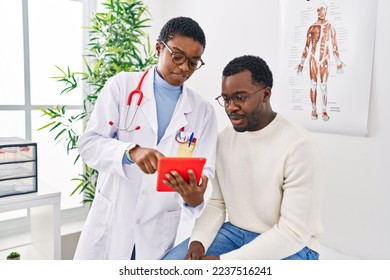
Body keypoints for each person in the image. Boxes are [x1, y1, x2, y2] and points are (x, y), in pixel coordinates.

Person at [74, 17, 217, 260]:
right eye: (178, 56)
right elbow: (89, 144)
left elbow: (207, 173)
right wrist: (130, 152)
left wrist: (195, 199)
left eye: (193, 62)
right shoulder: (122, 86)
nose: (184, 68)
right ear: (159, 48)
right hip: (114, 219)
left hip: (157, 230)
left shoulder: (203, 111)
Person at [162, 55, 324, 260]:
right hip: (235, 233)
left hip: (294, 246)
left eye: (240, 97)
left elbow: (293, 233)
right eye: (226, 99)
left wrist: (224, 263)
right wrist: (198, 241)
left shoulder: (300, 147)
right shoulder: (223, 140)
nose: (230, 107)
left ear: (265, 94)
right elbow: (216, 202)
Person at [297, 5, 344, 121]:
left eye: (323, 10)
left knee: (323, 85)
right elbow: (307, 47)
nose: (322, 13)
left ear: (326, 11)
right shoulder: (312, 28)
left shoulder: (330, 26)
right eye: (319, 10)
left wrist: (338, 62)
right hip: (313, 58)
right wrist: (301, 63)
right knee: (313, 84)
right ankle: (313, 109)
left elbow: (334, 45)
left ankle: (323, 110)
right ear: (317, 12)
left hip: (324, 58)